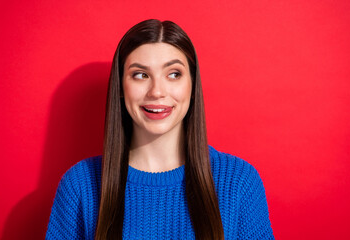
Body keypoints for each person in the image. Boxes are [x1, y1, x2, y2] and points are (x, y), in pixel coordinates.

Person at [45, 19, 274, 239]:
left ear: (192, 86)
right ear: (121, 87)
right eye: (140, 75)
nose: (156, 91)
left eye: (173, 74)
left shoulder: (239, 181)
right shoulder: (80, 184)